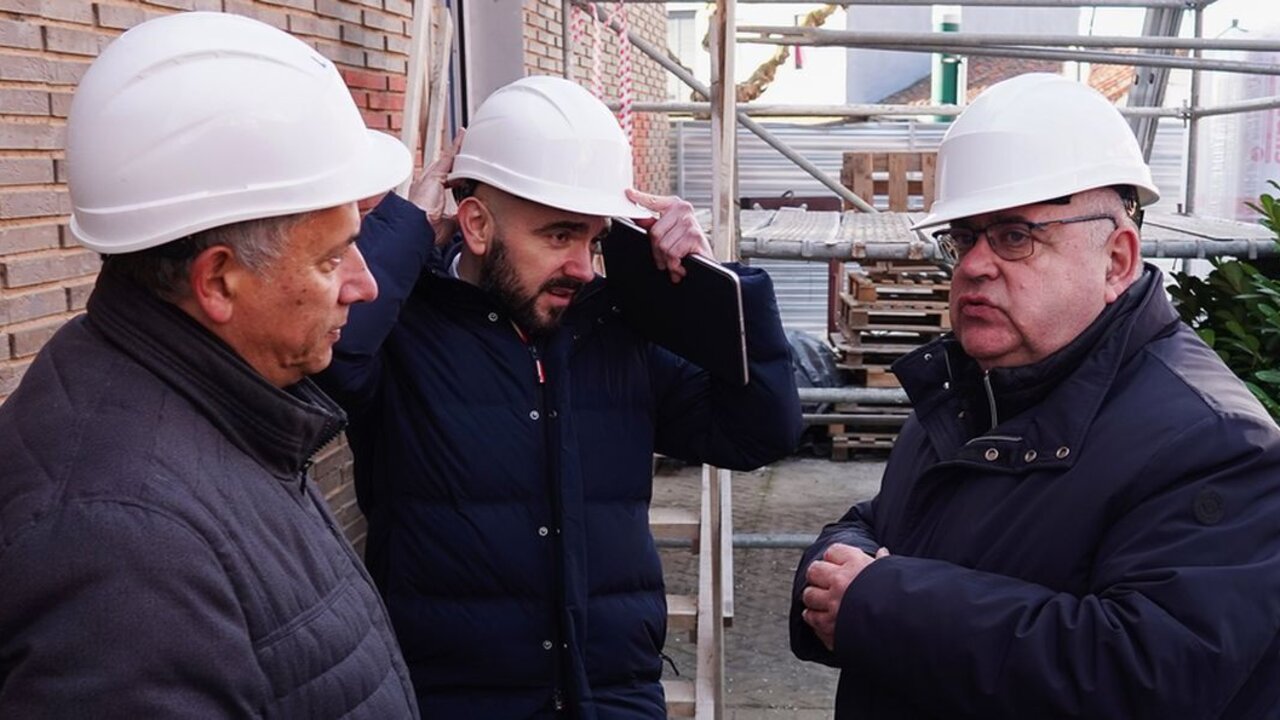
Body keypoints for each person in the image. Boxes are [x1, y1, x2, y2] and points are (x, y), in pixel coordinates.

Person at [790, 72, 1280, 719]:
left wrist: (878, 602)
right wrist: (832, 573)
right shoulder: (973, 390)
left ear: (1117, 260)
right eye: (963, 238)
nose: (973, 265)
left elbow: (1142, 677)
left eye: (1015, 236)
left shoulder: (1215, 443)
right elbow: (884, 525)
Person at [316, 74, 802, 718]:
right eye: (557, 235)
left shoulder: (615, 329)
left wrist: (714, 289)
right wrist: (406, 228)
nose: (581, 265)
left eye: (593, 239)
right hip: (451, 703)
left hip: (612, 698)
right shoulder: (405, 330)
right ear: (478, 224)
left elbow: (757, 431)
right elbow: (321, 383)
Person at [0, 13, 419, 717]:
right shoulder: (121, 551)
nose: (364, 284)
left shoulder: (207, 402)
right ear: (218, 280)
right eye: (330, 257)